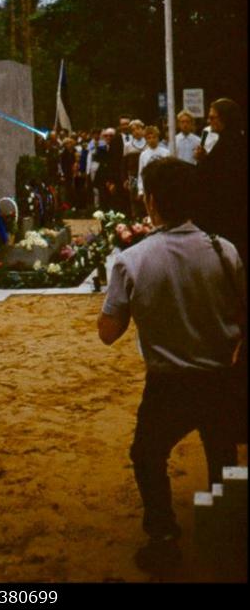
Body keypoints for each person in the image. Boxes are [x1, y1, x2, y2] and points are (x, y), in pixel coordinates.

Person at [98, 157, 245, 573]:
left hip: (169, 382)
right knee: (221, 451)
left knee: (147, 454)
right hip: (219, 375)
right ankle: (225, 532)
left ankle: (163, 536)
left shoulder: (134, 260)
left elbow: (108, 332)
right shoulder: (224, 249)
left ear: (152, 203)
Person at [194, 98, 247, 267]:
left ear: (226, 118)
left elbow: (218, 178)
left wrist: (203, 164)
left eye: (213, 117)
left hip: (228, 216)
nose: (209, 121)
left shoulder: (230, 145)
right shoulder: (230, 141)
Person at [136, 125, 170, 198]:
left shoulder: (166, 152)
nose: (152, 140)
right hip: (149, 186)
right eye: (149, 138)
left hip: (162, 185)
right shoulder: (143, 155)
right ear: (146, 139)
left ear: (158, 138)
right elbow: (140, 173)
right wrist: (140, 190)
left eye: (154, 137)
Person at [122, 120, 147, 218]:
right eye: (133, 130)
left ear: (143, 129)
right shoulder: (128, 146)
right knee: (134, 199)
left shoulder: (148, 143)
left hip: (146, 175)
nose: (136, 131)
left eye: (138, 128)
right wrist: (125, 179)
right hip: (133, 176)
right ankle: (136, 221)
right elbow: (124, 164)